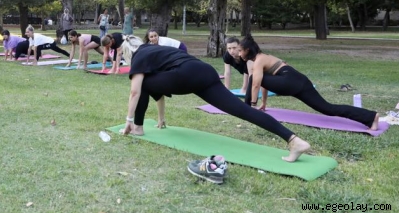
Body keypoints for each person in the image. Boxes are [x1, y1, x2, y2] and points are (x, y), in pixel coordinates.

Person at [119, 36, 311, 162]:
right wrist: (161, 118)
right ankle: (294, 140)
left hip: (186, 75)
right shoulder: (156, 50)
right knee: (243, 110)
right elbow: (158, 88)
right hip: (205, 72)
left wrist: (128, 120)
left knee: (141, 83)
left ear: (128, 53)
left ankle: (137, 127)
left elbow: (135, 92)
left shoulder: (139, 57)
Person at [238, 35, 379, 130]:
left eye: (240, 51)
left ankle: (245, 109)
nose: (238, 54)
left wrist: (253, 106)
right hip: (300, 81)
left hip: (289, 80)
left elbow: (256, 83)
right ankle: (370, 117)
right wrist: (264, 103)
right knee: (327, 108)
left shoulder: (258, 60)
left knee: (252, 78)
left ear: (247, 50)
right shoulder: (264, 58)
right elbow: (264, 82)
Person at [223, 36, 269, 100]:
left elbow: (247, 72)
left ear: (239, 47)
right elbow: (227, 72)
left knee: (262, 84)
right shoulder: (227, 56)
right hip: (250, 72)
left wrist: (244, 88)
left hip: (260, 71)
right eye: (229, 48)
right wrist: (226, 89)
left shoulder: (245, 55)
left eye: (234, 48)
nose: (232, 51)